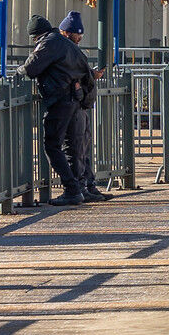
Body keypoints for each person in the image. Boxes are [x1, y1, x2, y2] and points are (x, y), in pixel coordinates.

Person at [23, 14, 90, 206]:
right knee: (70, 145)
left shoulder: (49, 43)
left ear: (37, 35)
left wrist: (18, 71)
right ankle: (78, 188)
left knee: (52, 145)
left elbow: (30, 68)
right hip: (73, 100)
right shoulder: (63, 42)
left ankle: (72, 189)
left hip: (59, 100)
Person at [59, 13, 107, 203]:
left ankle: (86, 185)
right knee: (77, 148)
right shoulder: (70, 51)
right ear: (66, 32)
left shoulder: (71, 50)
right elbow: (76, 75)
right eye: (76, 34)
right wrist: (89, 78)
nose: (79, 38)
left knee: (81, 148)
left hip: (80, 105)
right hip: (77, 105)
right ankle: (83, 187)